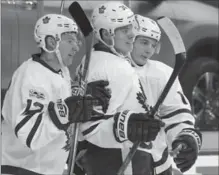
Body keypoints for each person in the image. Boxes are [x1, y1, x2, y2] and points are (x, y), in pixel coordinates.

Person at [1, 14, 110, 175]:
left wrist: (82, 96)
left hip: (47, 168)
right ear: (52, 42)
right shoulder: (31, 75)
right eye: (70, 41)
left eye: (77, 41)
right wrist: (66, 111)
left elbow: (57, 103)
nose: (76, 47)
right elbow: (30, 134)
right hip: (22, 168)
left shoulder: (61, 71)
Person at [73, 2, 165, 175]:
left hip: (119, 158)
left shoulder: (101, 61)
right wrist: (128, 125)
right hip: (118, 159)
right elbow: (91, 128)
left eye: (131, 27)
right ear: (106, 35)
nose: (132, 35)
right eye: (124, 30)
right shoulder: (108, 66)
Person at [129, 14, 202, 174]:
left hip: (156, 163)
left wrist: (184, 136)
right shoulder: (109, 68)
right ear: (130, 39)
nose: (149, 49)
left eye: (153, 45)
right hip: (115, 161)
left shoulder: (161, 73)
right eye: (144, 42)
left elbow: (175, 113)